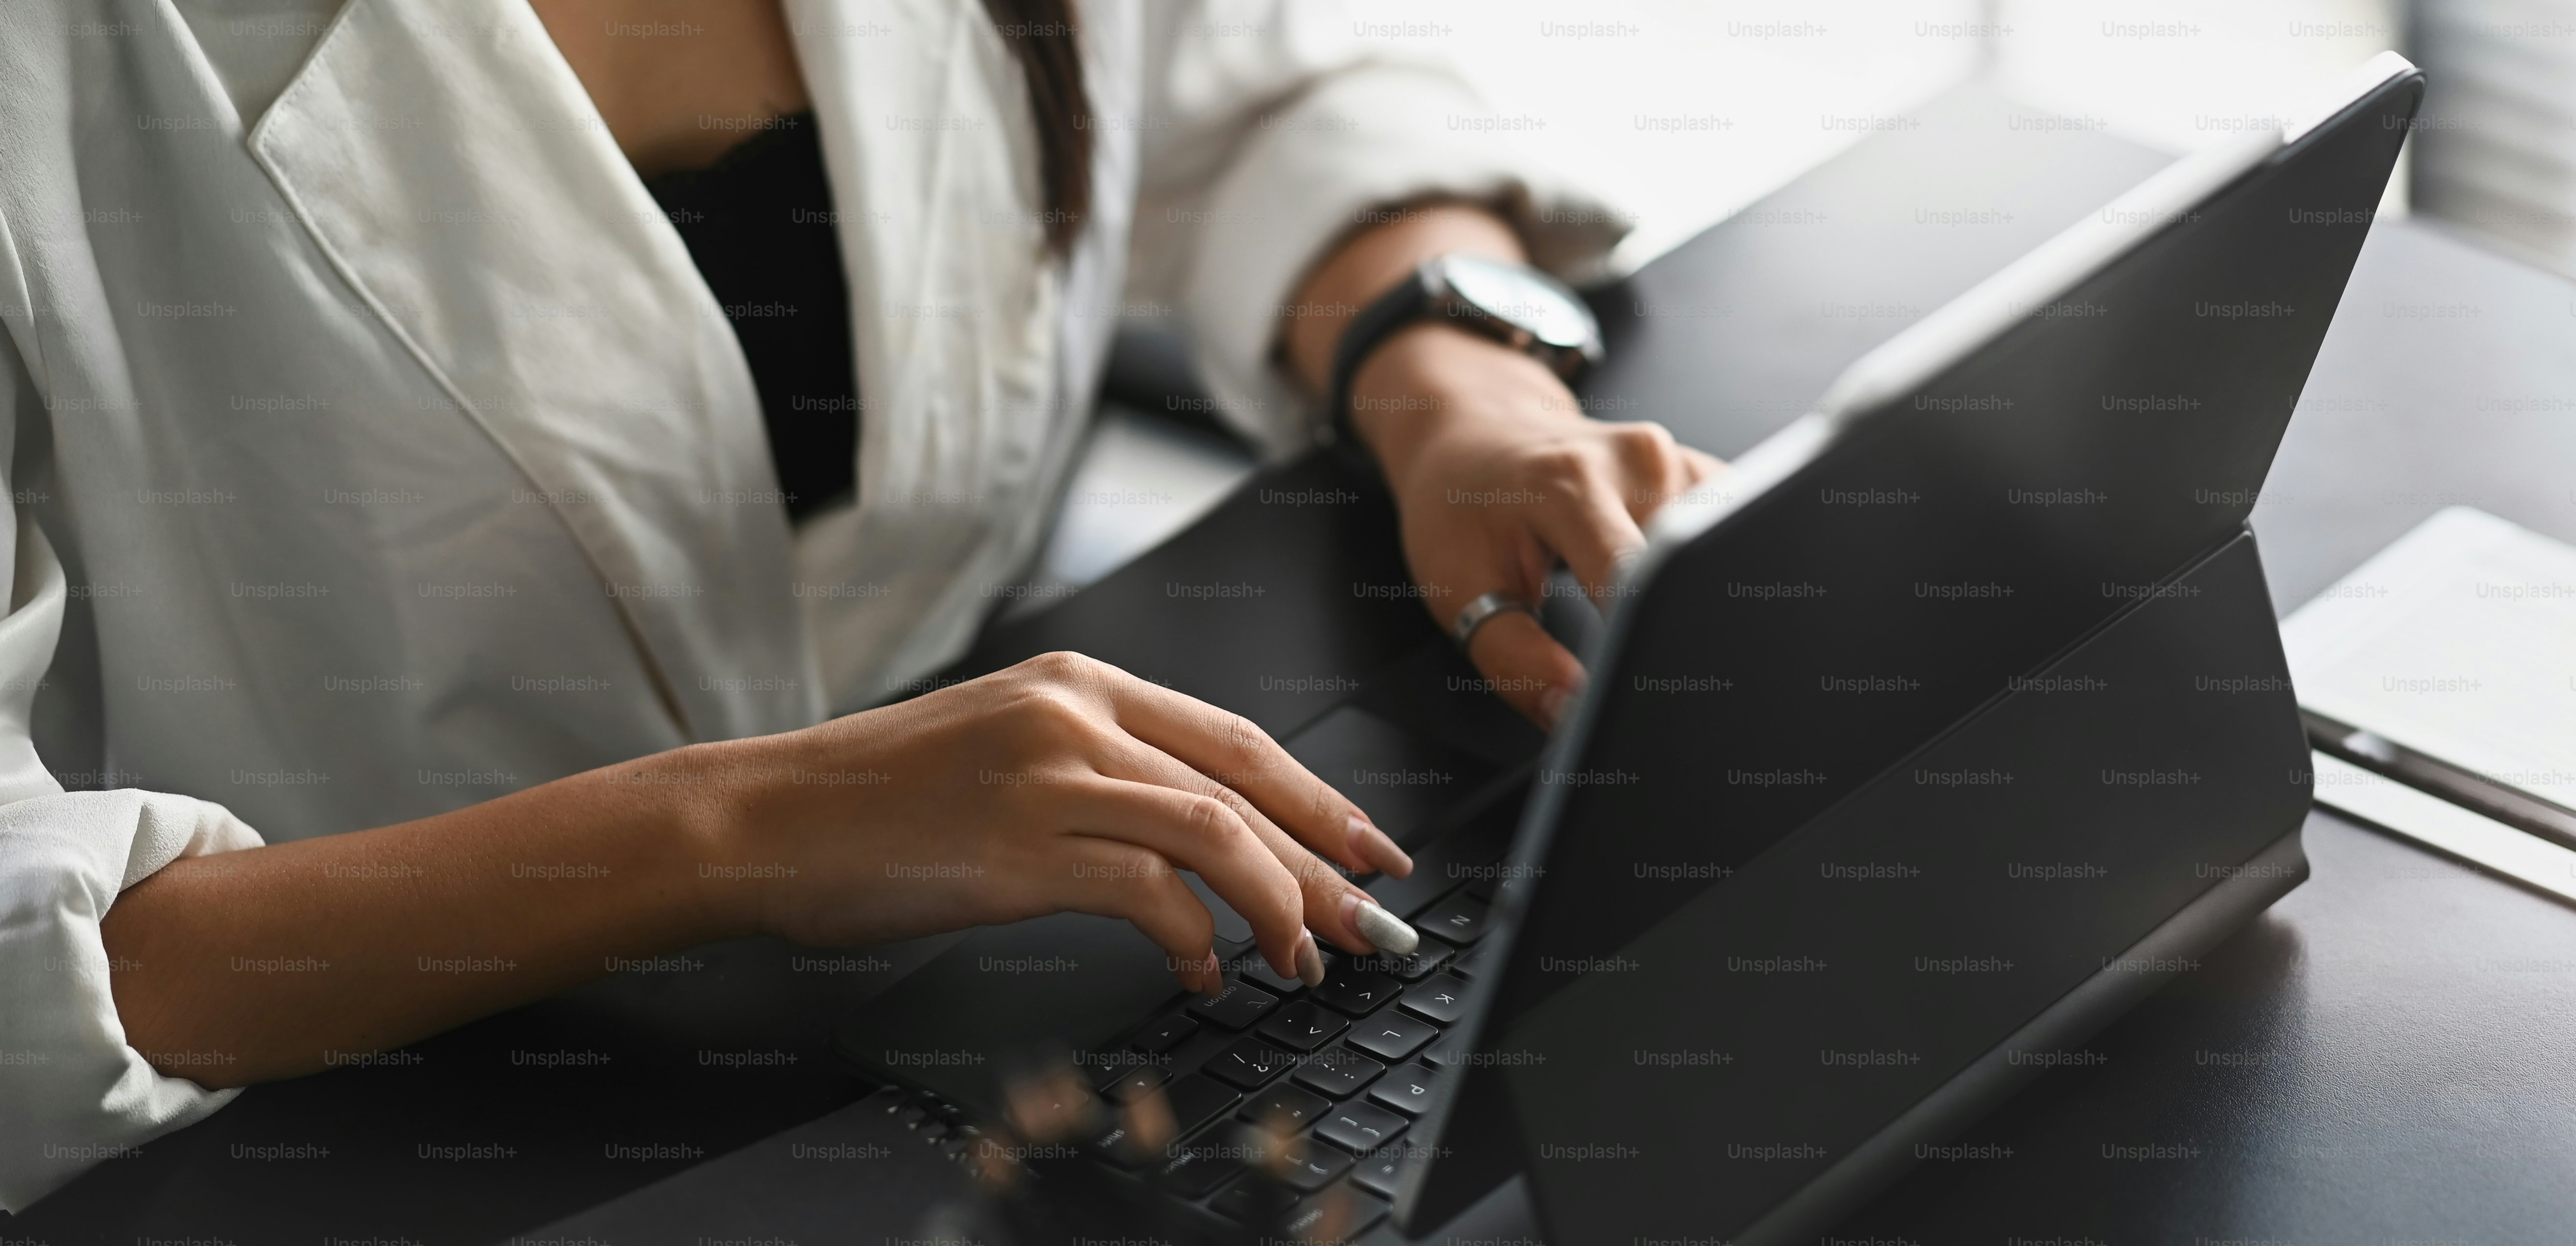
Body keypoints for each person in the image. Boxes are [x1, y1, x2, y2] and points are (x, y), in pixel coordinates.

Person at [0, 0, 1719, 1210]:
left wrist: (1446, 369)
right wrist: (737, 827)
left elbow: (1250, 73)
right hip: (342, 1112)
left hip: (973, 969)